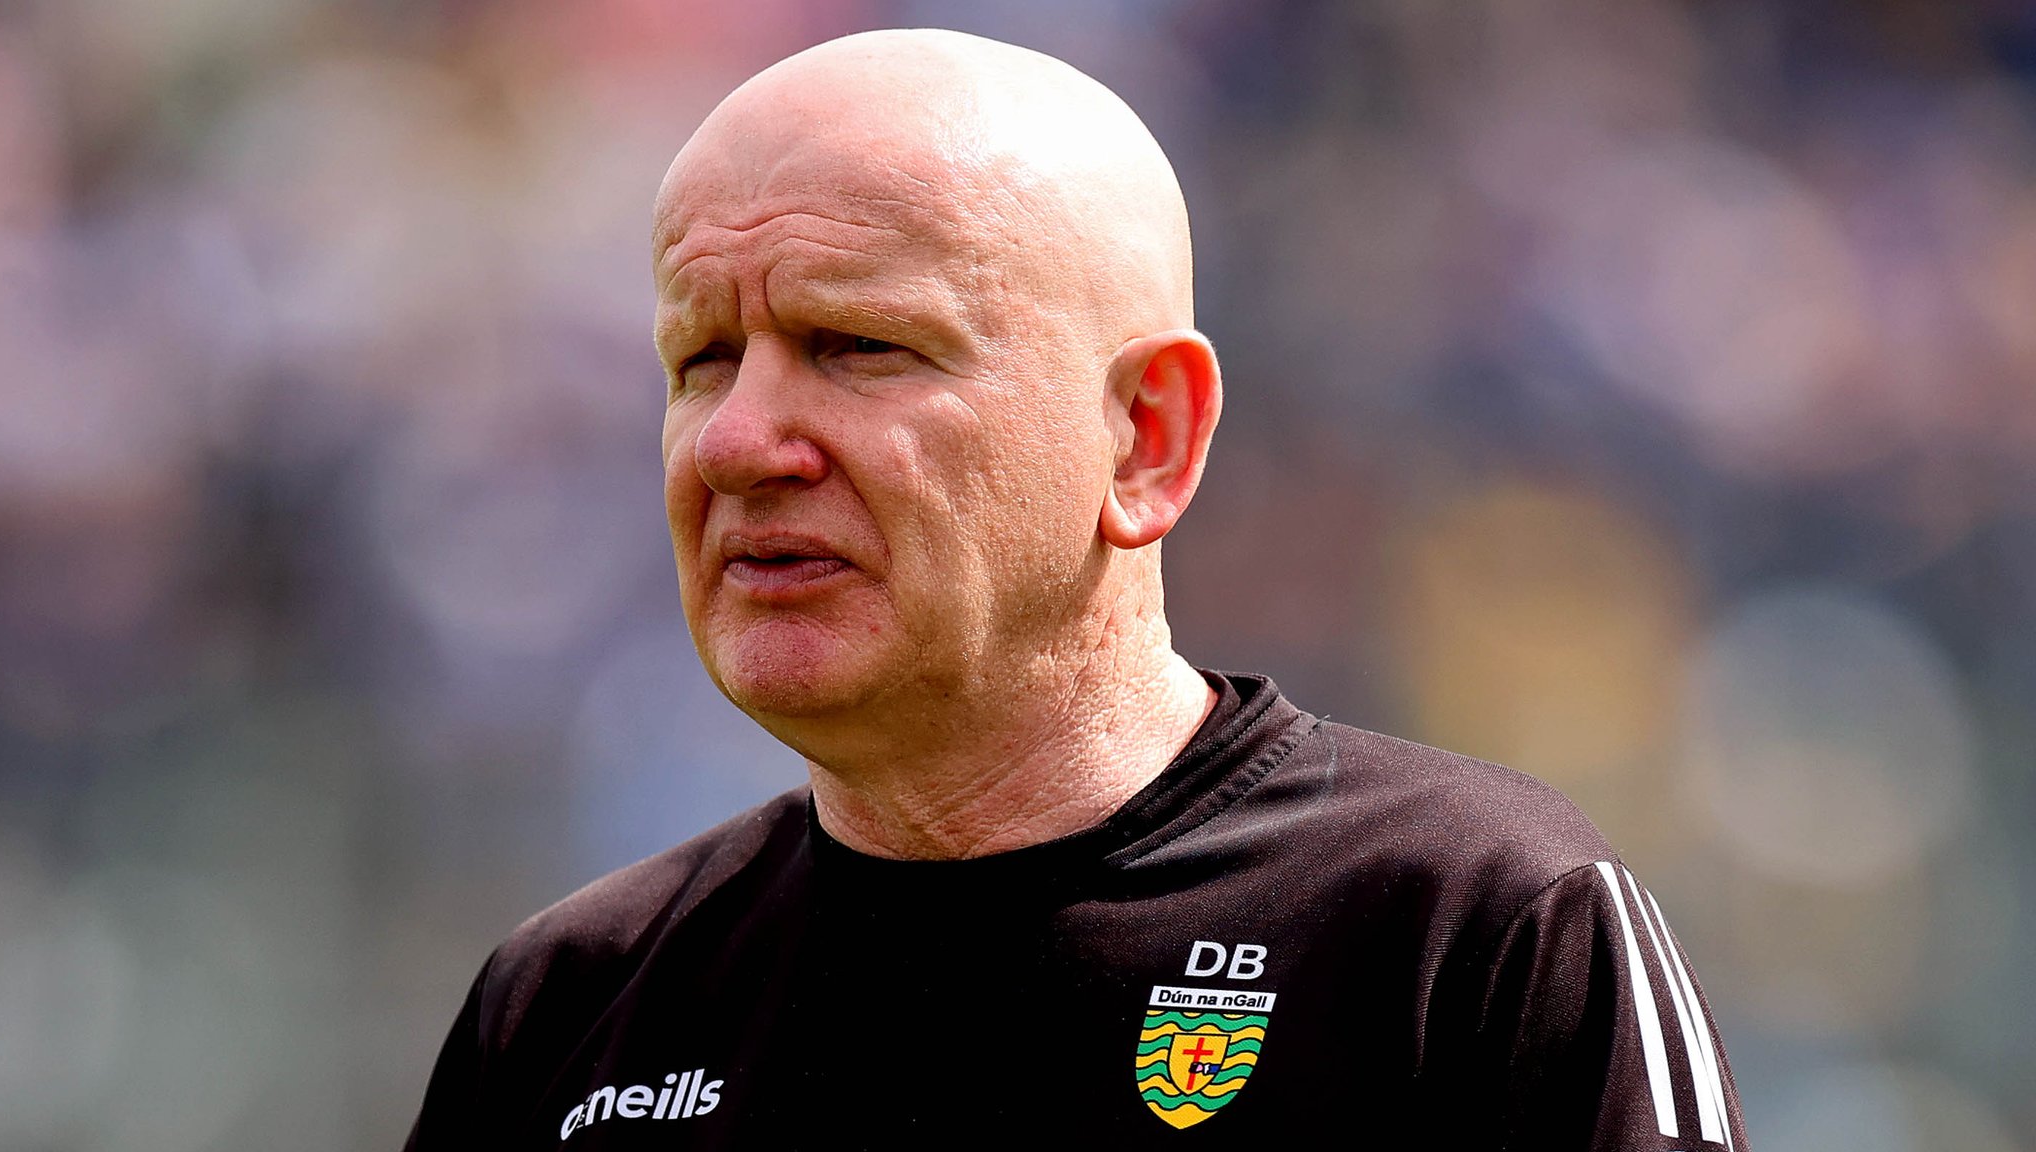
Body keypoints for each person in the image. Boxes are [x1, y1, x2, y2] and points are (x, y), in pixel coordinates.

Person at [405, 28, 1748, 1150]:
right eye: (701, 359)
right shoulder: (568, 1004)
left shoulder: (1472, 929)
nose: (741, 442)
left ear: (1145, 436)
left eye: (858, 344)